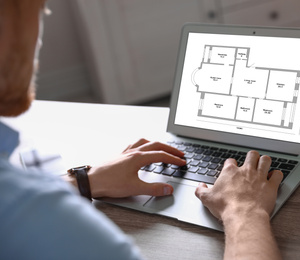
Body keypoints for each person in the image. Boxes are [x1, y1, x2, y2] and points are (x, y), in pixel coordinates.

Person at [0, 1, 283, 259]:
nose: (38, 35)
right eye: (39, 9)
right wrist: (245, 210)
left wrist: (82, 181)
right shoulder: (44, 220)